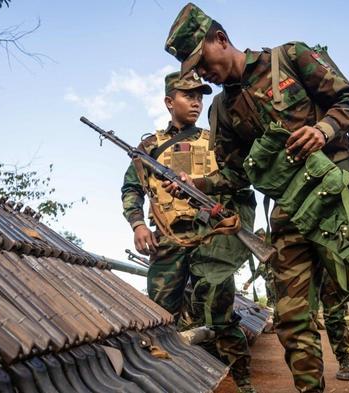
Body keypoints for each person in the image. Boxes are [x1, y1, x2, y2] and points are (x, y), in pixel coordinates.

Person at [163, 4, 349, 392]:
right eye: (192, 68)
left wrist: (324, 129)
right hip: (289, 216)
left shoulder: (291, 57)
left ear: (221, 40)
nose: (200, 72)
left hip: (337, 201)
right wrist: (196, 185)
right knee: (292, 318)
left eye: (201, 60)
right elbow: (237, 176)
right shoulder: (221, 108)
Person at [120, 71, 257, 392]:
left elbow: (240, 183)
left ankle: (245, 383)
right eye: (188, 96)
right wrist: (138, 224)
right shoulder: (149, 146)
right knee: (160, 321)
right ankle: (164, 383)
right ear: (169, 102)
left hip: (211, 242)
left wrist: (233, 220)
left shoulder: (216, 141)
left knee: (222, 317)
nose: (196, 102)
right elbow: (131, 188)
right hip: (167, 242)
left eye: (200, 96)